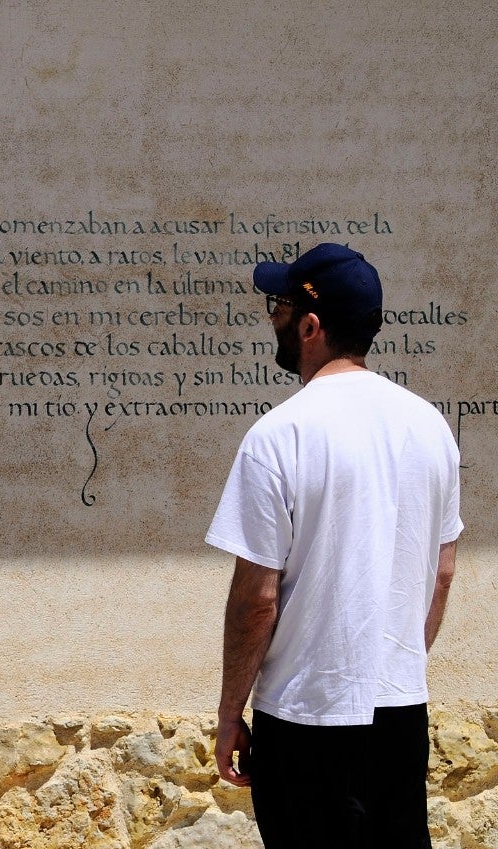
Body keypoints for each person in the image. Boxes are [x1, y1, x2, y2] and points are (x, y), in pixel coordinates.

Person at [207, 243, 462, 848]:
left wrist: (228, 712)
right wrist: (394, 664)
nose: (272, 317)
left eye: (279, 306)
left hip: (304, 715)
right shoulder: (431, 426)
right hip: (400, 714)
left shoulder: (279, 435)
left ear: (311, 325)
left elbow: (257, 601)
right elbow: (442, 572)